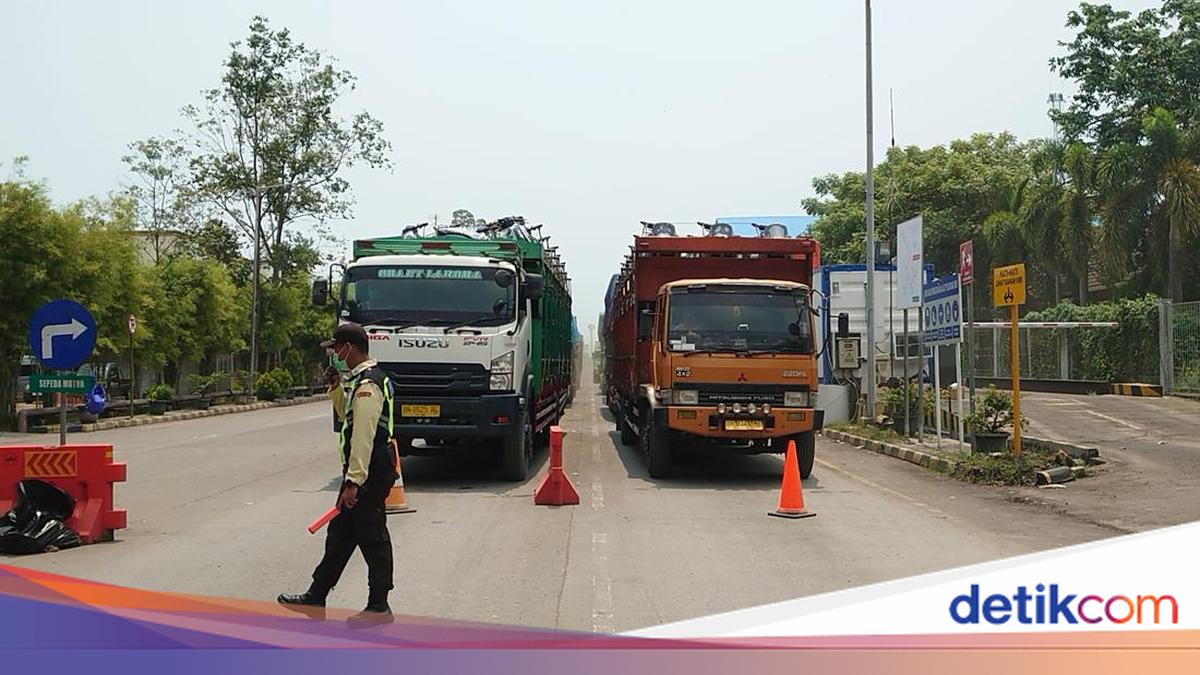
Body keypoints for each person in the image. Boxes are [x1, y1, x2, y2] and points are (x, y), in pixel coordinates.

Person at [278, 322, 398, 625]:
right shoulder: (360, 381)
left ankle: (379, 606)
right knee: (341, 536)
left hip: (368, 471)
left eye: (336, 348)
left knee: (373, 536)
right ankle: (316, 595)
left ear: (349, 347)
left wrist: (353, 481)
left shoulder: (369, 384)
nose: (334, 354)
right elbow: (350, 415)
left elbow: (363, 436)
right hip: (364, 470)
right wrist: (335, 389)